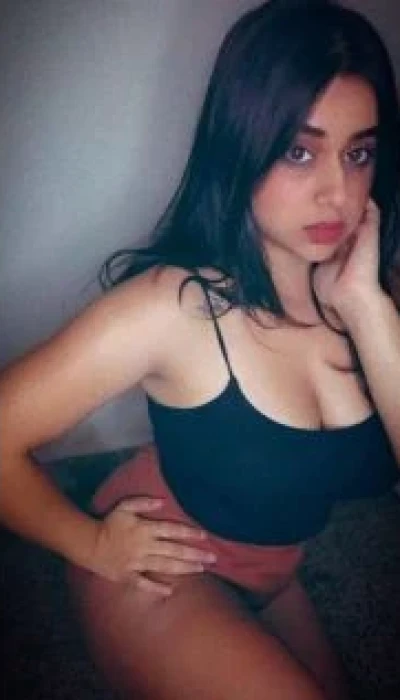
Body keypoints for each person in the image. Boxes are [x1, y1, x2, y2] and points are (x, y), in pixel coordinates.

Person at [1, 0, 400, 697]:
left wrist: (366, 308)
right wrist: (92, 543)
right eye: (298, 151)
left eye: (358, 153)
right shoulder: (176, 306)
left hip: (274, 574)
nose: (337, 192)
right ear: (242, 144)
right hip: (161, 562)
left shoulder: (371, 290)